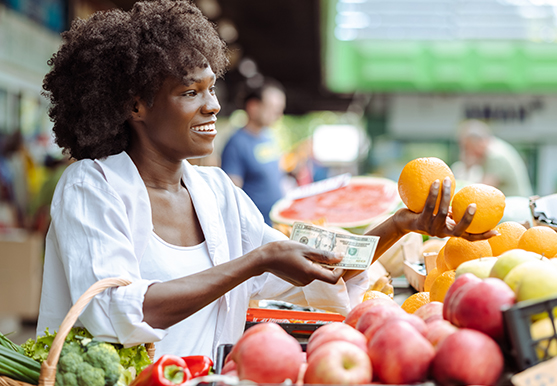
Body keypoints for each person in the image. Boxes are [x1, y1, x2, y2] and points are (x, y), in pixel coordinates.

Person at [37, 0, 495, 362]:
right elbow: (116, 312)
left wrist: (400, 225)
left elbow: (321, 269)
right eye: (189, 92)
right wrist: (257, 261)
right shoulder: (91, 187)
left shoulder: (216, 195)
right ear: (135, 106)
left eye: (211, 88)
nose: (213, 106)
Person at [220, 79, 286, 226]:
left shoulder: (270, 137)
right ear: (253, 107)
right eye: (273, 108)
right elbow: (232, 196)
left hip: (277, 226)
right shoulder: (236, 144)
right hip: (256, 231)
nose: (278, 114)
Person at [453, 119, 533, 197]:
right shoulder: (492, 149)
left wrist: (468, 168)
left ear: (479, 142)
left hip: (516, 205)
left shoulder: (495, 156)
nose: (466, 152)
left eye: (468, 147)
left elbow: (482, 190)